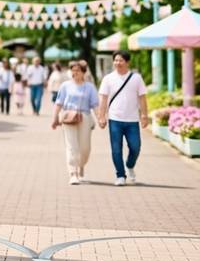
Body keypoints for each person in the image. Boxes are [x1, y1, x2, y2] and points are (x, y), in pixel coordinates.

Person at [97, 50, 149, 186]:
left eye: (120, 60)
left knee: (135, 147)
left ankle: (130, 165)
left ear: (127, 62)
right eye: (115, 60)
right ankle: (120, 175)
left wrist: (144, 115)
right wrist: (101, 116)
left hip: (132, 120)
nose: (117, 63)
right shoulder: (108, 79)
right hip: (115, 119)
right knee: (116, 149)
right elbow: (103, 99)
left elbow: (142, 97)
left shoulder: (136, 78)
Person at [51, 61, 100, 185]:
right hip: (68, 117)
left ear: (83, 72)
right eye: (73, 70)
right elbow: (58, 103)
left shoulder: (90, 87)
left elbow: (95, 105)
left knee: (85, 148)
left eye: (77, 70)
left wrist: (100, 118)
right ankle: (73, 173)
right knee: (71, 146)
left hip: (85, 117)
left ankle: (81, 165)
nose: (75, 73)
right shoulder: (65, 86)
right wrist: (54, 118)